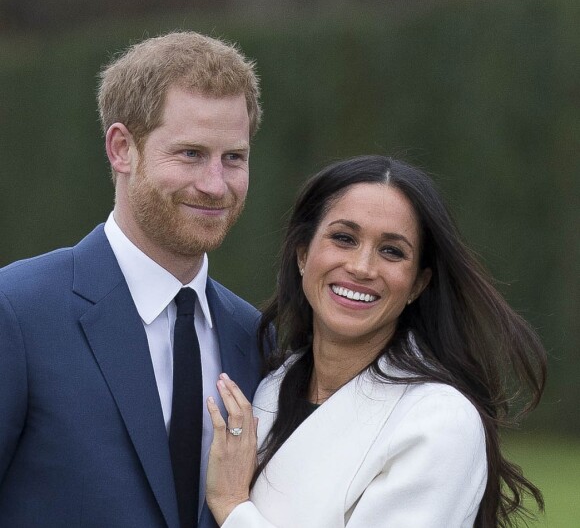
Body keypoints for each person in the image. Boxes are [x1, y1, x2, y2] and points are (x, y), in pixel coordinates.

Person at [0, 31, 263, 528]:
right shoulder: (17, 312)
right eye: (189, 154)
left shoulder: (255, 337)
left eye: (234, 158)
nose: (215, 184)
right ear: (122, 149)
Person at [204, 155, 547, 527]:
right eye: (344, 238)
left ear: (418, 283)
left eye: (391, 251)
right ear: (303, 254)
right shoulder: (269, 385)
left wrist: (233, 507)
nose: (362, 267)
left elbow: (232, 504)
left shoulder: (438, 421)